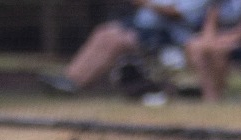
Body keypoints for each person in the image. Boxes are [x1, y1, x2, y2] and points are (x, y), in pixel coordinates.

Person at [43, 0, 209, 95]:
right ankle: (71, 77)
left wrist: (145, 3)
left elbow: (177, 14)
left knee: (116, 40)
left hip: (166, 35)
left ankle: (78, 82)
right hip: (139, 26)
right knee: (104, 31)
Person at [184, 1, 241, 103]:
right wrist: (212, 40)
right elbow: (209, 27)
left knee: (218, 50)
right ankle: (208, 94)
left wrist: (223, 40)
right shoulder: (216, 3)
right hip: (218, 39)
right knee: (195, 47)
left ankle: (217, 94)